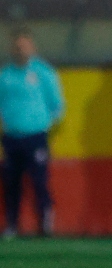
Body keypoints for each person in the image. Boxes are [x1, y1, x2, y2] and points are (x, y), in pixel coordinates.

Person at [0, 30, 64, 238]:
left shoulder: (43, 73)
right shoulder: (5, 76)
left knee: (39, 181)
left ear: (32, 48)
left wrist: (46, 127)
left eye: (25, 46)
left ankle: (45, 224)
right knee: (11, 183)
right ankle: (11, 225)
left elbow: (57, 106)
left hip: (36, 136)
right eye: (18, 47)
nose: (21, 50)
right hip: (11, 137)